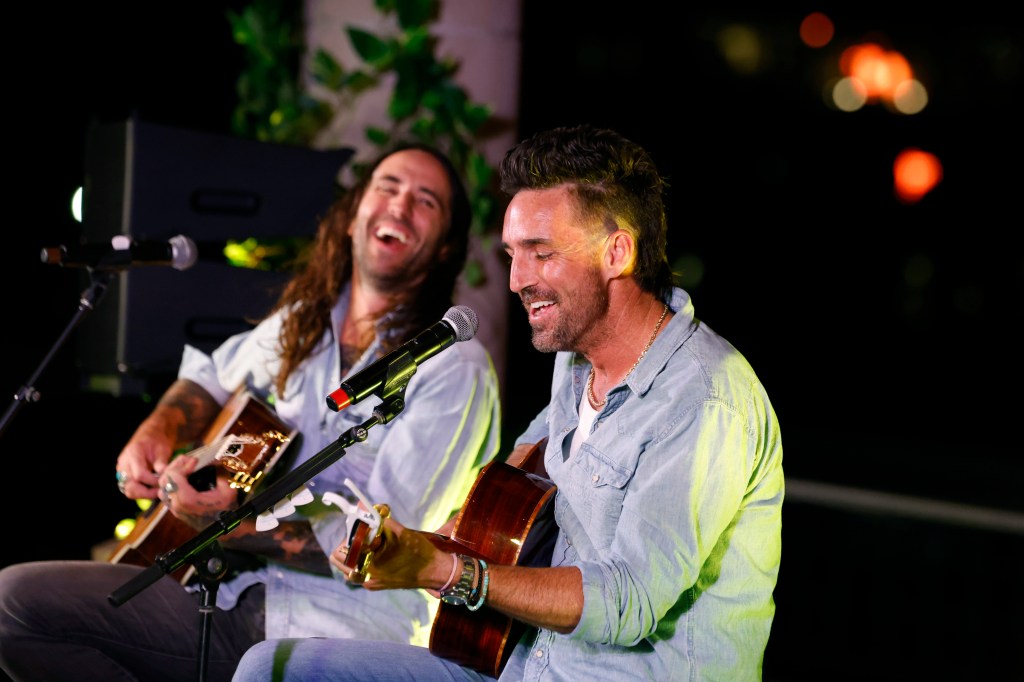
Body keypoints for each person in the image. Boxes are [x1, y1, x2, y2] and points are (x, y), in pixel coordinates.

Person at [230, 124, 785, 682]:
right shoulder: (575, 360)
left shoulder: (705, 398)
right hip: (522, 666)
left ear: (617, 252)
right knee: (270, 668)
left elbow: (626, 601)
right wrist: (406, 548)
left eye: (541, 254)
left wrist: (449, 571)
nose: (517, 280)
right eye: (513, 254)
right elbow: (507, 500)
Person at [0, 143, 502, 682]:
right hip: (222, 586)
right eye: (387, 187)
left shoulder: (454, 367)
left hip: (325, 623)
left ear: (447, 246)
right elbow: (213, 376)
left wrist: (224, 526)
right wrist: (161, 427)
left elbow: (381, 548)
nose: (400, 206)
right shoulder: (303, 326)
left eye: (425, 201)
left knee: (15, 606)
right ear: (353, 215)